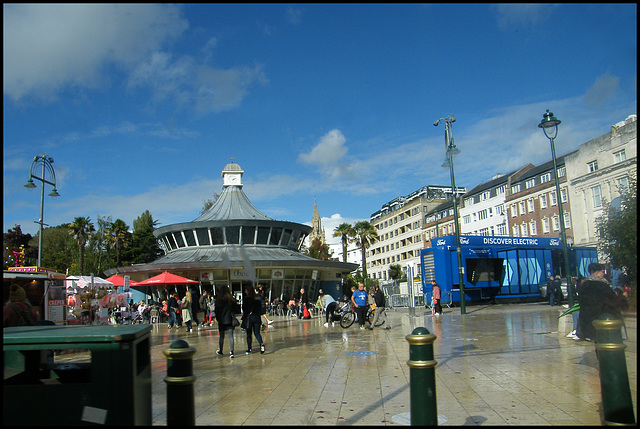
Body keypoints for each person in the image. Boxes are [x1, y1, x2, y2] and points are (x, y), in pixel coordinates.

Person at [577, 262, 623, 342]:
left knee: (597, 343)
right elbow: (611, 300)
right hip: (602, 320)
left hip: (587, 321)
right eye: (602, 271)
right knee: (604, 344)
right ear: (597, 272)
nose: (603, 274)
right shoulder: (601, 285)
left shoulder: (584, 285)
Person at [215, 285, 237, 358]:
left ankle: (221, 350)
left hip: (221, 320)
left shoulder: (218, 300)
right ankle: (232, 352)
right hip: (229, 319)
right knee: (231, 336)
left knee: (221, 336)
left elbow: (216, 311)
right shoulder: (231, 299)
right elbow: (235, 309)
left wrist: (218, 319)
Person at [242, 285, 266, 354]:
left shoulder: (246, 299)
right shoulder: (257, 298)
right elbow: (260, 308)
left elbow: (244, 308)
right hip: (257, 317)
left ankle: (249, 348)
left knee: (249, 334)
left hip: (249, 317)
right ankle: (261, 344)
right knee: (257, 333)